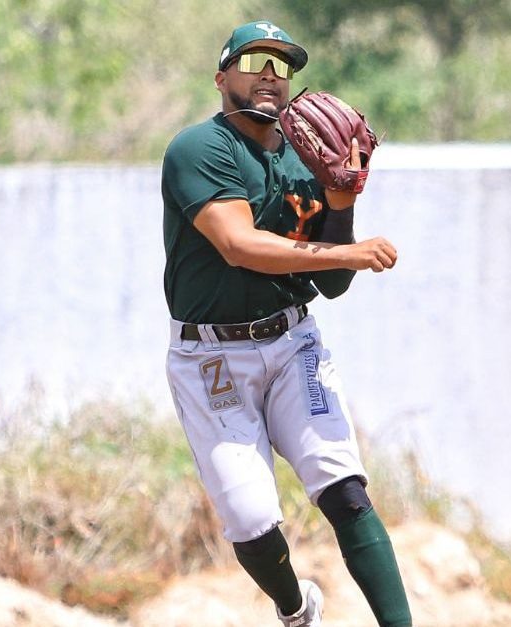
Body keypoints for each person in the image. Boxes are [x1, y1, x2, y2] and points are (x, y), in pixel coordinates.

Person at [160, 19, 412, 627]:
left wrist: (343, 206)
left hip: (293, 340)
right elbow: (239, 245)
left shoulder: (306, 162)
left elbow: (331, 284)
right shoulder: (200, 149)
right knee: (249, 520)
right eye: (254, 62)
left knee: (344, 487)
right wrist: (350, 250)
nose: (271, 76)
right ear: (222, 78)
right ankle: (297, 611)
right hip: (211, 358)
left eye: (282, 65)